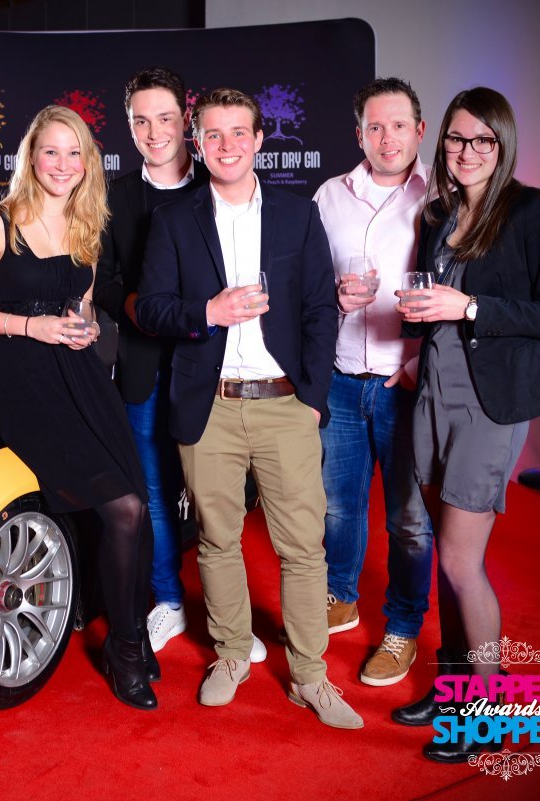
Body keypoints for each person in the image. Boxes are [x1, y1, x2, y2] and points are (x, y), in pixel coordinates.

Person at [136, 88, 361, 728]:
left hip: (284, 402)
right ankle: (232, 654)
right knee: (216, 539)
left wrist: (311, 399)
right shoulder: (174, 220)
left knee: (303, 547)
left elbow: (319, 310)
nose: (227, 145)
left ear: (260, 140)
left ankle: (310, 676)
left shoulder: (297, 214)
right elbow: (150, 307)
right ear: (198, 143)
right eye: (213, 134)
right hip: (208, 406)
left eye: (239, 132)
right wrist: (206, 312)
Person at [0, 105, 157, 711]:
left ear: (87, 161)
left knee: (138, 505)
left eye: (74, 153)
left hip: (81, 375)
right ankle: (124, 650)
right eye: (51, 152)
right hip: (26, 381)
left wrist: (84, 326)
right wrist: (30, 327)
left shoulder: (87, 220)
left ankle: (132, 632)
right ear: (31, 158)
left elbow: (81, 302)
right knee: (123, 508)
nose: (63, 164)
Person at [389, 87, 540, 761]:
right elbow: (432, 303)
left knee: (461, 560)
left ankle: (485, 717)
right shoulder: (439, 214)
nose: (466, 152)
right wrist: (417, 321)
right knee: (446, 552)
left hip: (490, 402)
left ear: (503, 145)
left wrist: (468, 306)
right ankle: (454, 692)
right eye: (456, 139)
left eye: (482, 141)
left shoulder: (532, 211)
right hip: (435, 392)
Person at [94, 67, 269, 662]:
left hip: (216, 365)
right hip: (145, 366)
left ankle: (231, 619)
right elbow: (105, 281)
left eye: (165, 118)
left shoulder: (222, 181)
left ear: (186, 122)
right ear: (129, 127)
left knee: (219, 497)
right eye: (140, 121)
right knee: (153, 493)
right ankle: (168, 599)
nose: (154, 132)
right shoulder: (114, 197)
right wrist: (138, 310)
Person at [311, 77, 434, 687]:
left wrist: (417, 364)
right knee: (338, 506)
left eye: (399, 125)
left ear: (420, 130)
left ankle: (403, 626)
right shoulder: (329, 196)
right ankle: (340, 595)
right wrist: (334, 297)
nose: (388, 138)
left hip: (405, 383)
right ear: (359, 134)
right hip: (340, 376)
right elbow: (307, 286)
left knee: (409, 520)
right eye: (375, 127)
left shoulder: (442, 199)